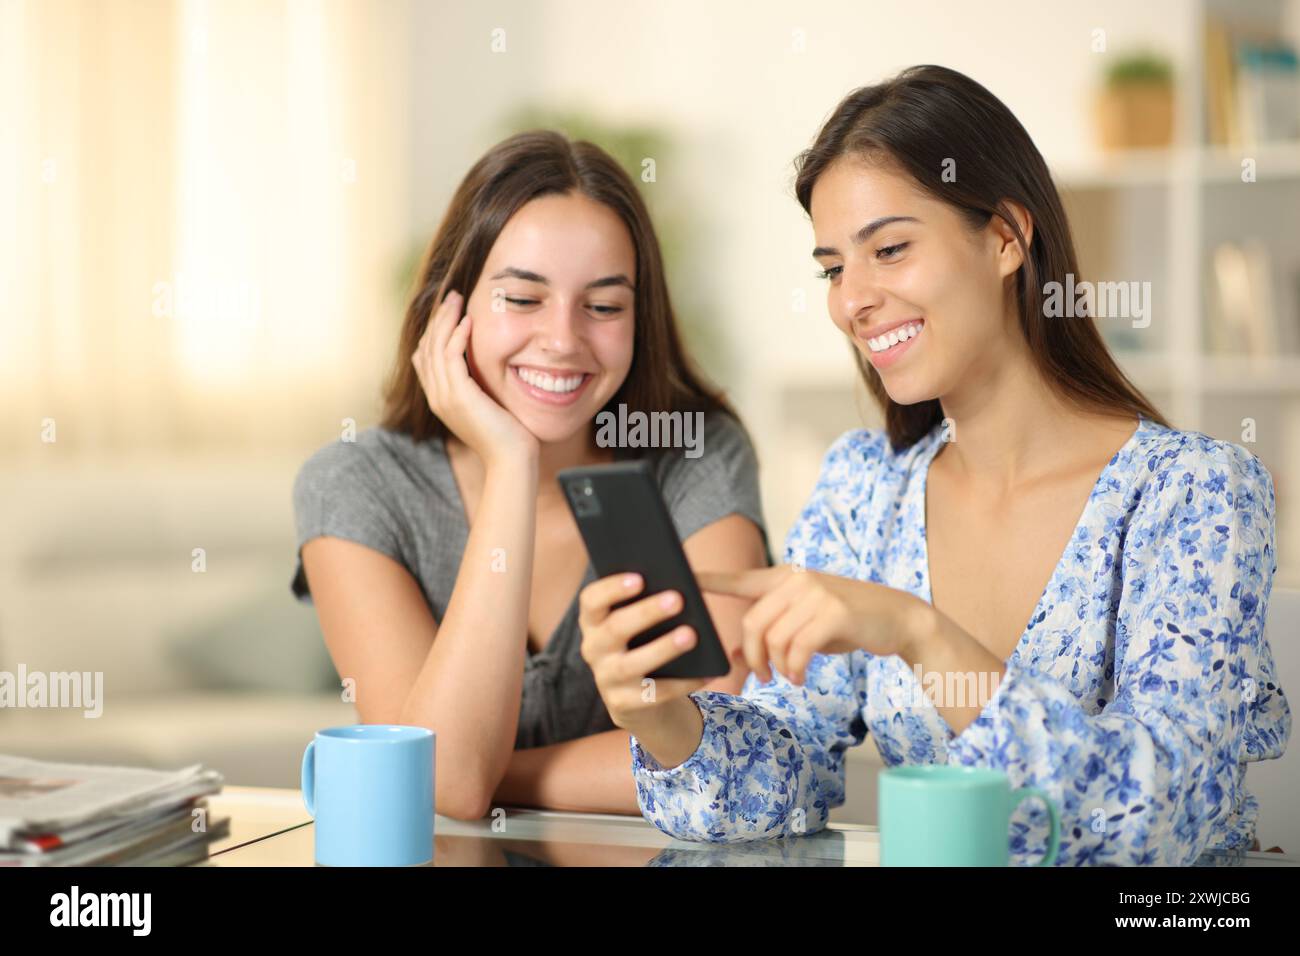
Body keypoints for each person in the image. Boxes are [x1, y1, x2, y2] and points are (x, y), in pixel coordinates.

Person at [579, 66, 1291, 865]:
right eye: (833, 267)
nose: (853, 300)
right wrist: (661, 717)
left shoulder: (1196, 492)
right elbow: (790, 768)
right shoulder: (865, 485)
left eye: (889, 249)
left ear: (1005, 239)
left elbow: (1160, 811)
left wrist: (917, 632)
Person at [291, 130, 767, 820]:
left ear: (640, 320)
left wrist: (487, 772)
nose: (563, 340)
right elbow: (445, 788)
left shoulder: (694, 456)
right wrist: (510, 464)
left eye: (603, 307)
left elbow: (721, 753)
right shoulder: (356, 486)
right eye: (522, 298)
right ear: (448, 310)